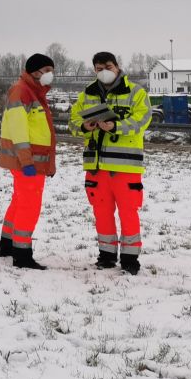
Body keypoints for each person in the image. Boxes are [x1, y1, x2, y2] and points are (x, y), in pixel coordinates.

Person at [69, 52, 151, 275]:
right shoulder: (87, 93)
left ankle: (130, 258)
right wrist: (86, 127)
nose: (103, 71)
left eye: (107, 66)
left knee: (128, 213)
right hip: (96, 167)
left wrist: (115, 126)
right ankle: (106, 256)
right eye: (98, 68)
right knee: (102, 213)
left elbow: (142, 120)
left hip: (125, 166)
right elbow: (73, 120)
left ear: (117, 66)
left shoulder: (136, 92)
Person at [0, 53, 57, 270]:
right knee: (29, 205)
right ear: (35, 71)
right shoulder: (23, 91)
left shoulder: (34, 92)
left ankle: (7, 245)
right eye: (47, 70)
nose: (50, 75)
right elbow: (18, 129)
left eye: (52, 70)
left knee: (20, 201)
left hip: (31, 161)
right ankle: (21, 254)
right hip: (27, 162)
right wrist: (27, 161)